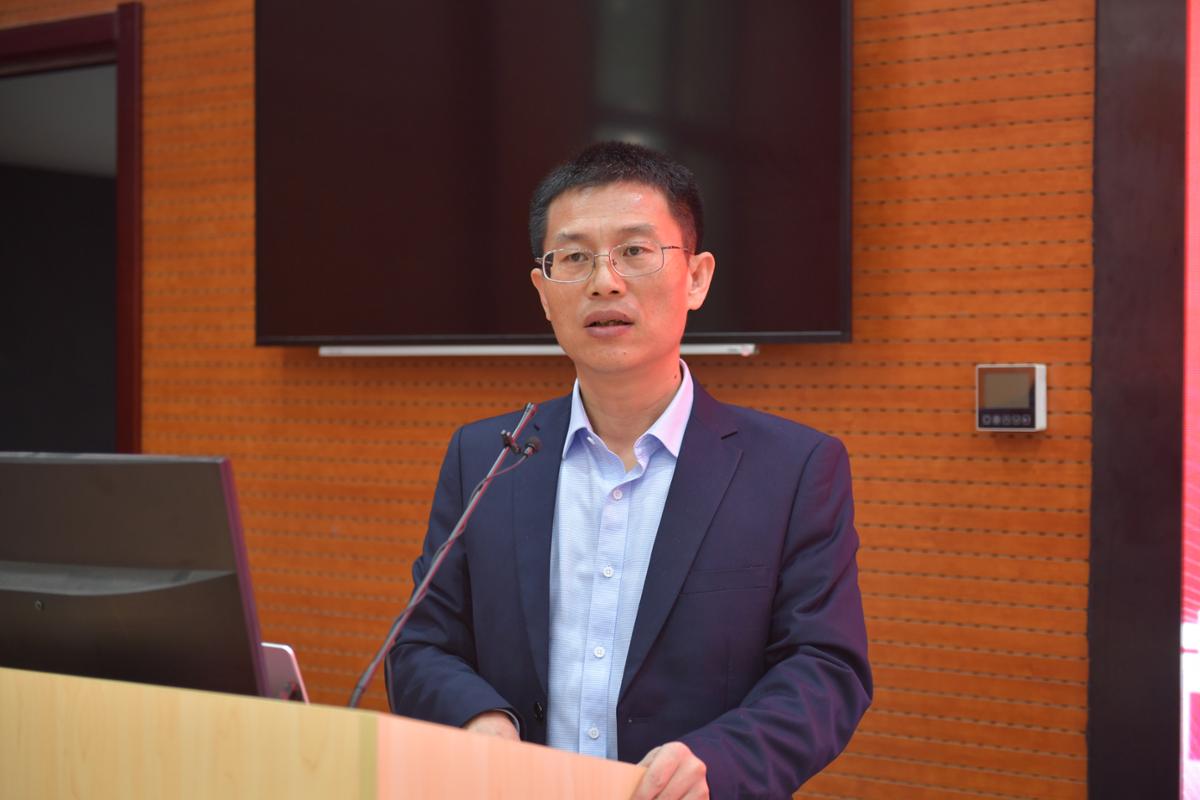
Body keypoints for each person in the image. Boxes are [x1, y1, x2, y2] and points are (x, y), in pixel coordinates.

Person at [387, 141, 872, 799]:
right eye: (574, 258)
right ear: (543, 293)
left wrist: (718, 762)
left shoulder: (793, 469)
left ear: (696, 277)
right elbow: (420, 644)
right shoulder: (489, 455)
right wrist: (478, 719)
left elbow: (825, 670)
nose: (604, 282)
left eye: (635, 251)